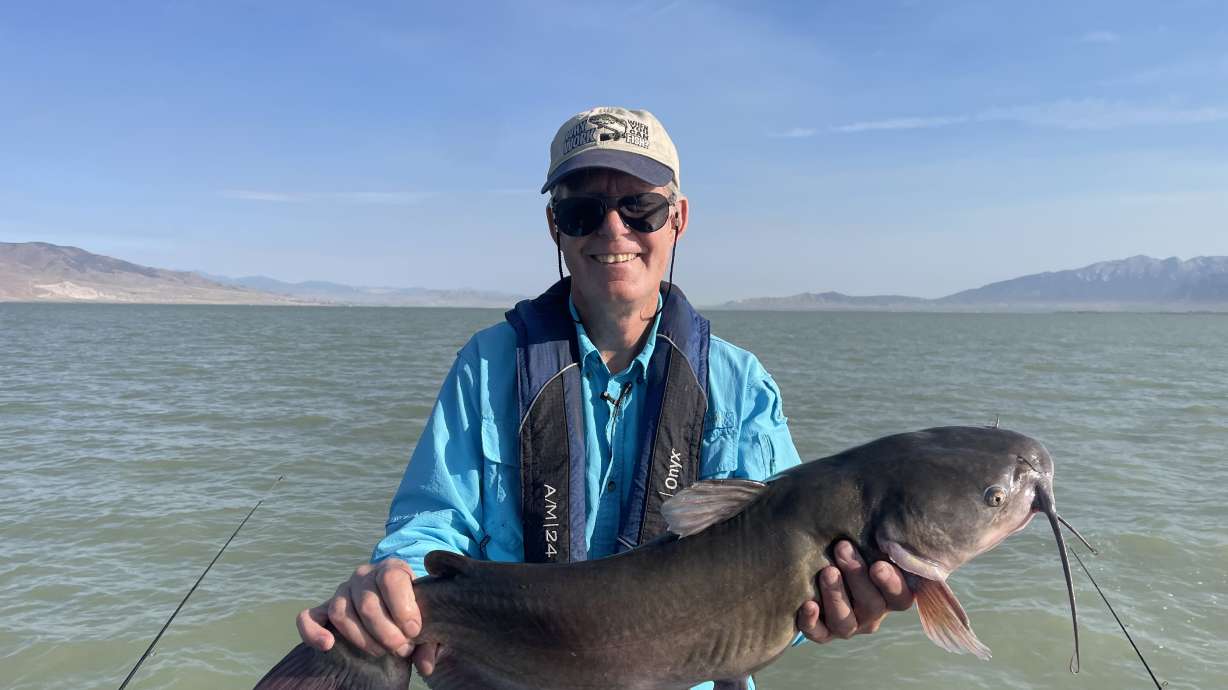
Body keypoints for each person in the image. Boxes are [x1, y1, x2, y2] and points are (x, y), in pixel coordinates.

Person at [295, 106, 914, 688]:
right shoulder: (487, 366)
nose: (613, 229)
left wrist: (833, 610)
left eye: (640, 207)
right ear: (554, 227)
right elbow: (431, 529)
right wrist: (391, 587)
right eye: (582, 210)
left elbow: (785, 590)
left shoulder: (740, 385)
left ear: (679, 218)